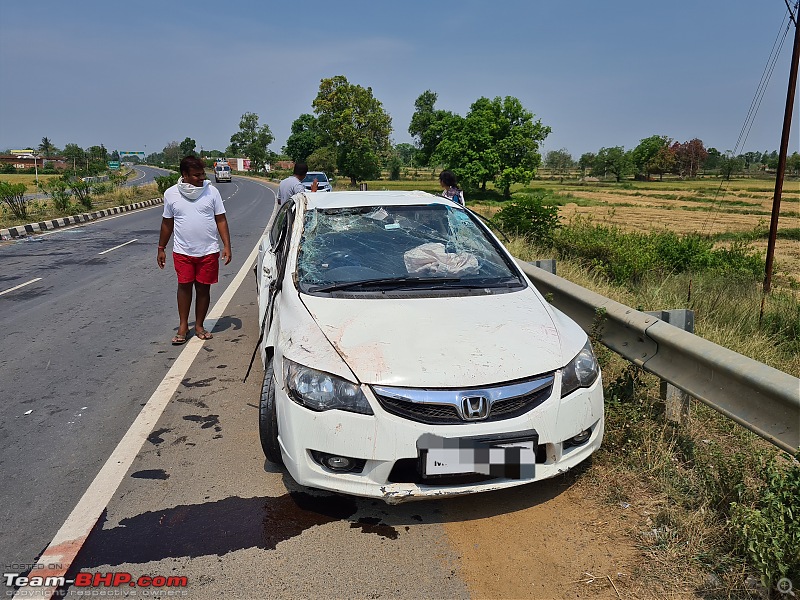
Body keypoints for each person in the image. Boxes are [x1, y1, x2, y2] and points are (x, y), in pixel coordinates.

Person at [157, 155, 232, 345]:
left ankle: (199, 325)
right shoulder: (171, 194)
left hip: (208, 250)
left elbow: (221, 219)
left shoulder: (212, 192)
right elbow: (167, 223)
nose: (201, 178)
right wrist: (161, 248)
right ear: (185, 175)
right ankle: (183, 325)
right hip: (183, 251)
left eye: (202, 174)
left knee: (203, 288)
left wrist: (226, 246)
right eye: (196, 175)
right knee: (184, 286)